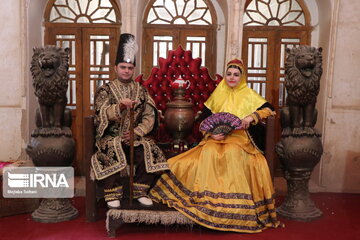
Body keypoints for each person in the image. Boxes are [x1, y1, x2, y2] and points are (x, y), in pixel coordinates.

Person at [149, 59, 280, 233]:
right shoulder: (217, 94)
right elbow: (204, 121)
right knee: (209, 151)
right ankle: (207, 201)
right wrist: (211, 133)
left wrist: (251, 117)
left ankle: (233, 208)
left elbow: (269, 109)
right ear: (225, 76)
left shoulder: (249, 95)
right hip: (216, 138)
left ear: (242, 77)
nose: (232, 78)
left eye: (236, 74)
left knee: (232, 153)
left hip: (239, 138)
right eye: (229, 74)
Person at [91, 33, 169, 209]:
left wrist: (137, 132)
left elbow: (150, 115)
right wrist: (119, 107)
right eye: (123, 67)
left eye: (130, 67)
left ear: (134, 69)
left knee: (151, 149)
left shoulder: (141, 90)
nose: (126, 70)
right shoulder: (105, 90)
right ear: (115, 68)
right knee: (111, 147)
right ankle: (112, 193)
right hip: (112, 136)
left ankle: (141, 191)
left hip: (135, 137)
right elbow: (100, 112)